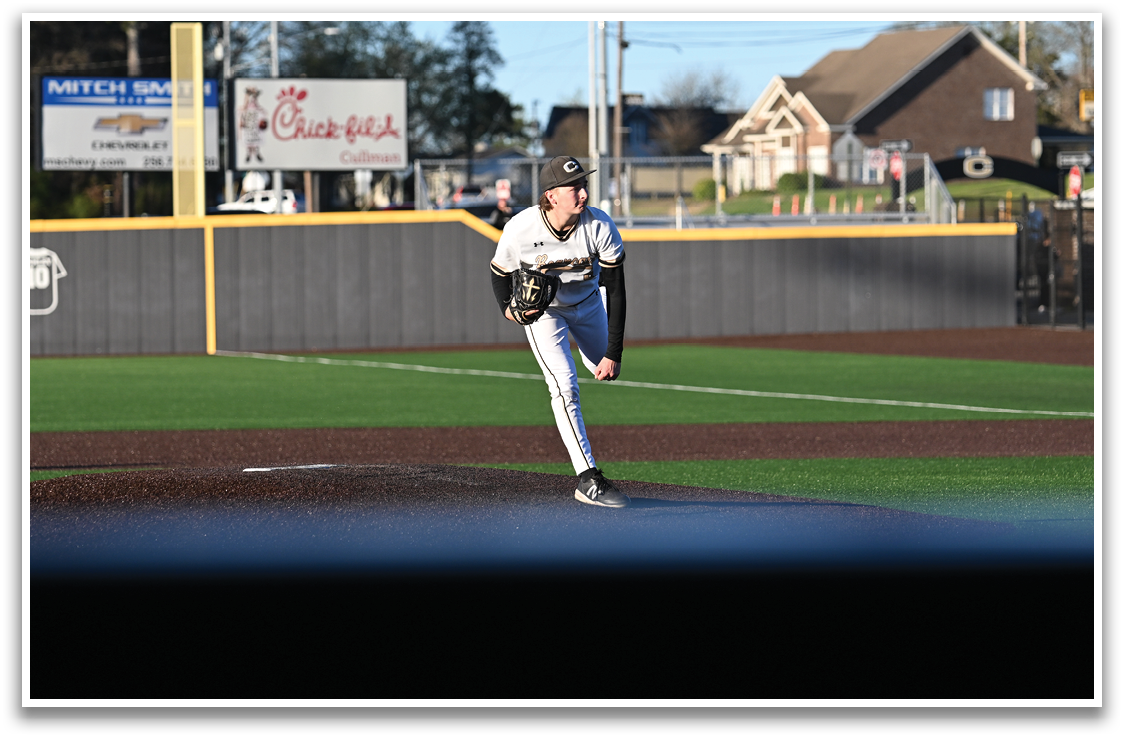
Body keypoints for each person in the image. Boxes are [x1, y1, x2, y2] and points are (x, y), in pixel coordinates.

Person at [489, 156, 629, 508]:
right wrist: (507, 308)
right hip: (545, 313)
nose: (583, 193)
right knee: (564, 386)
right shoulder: (522, 228)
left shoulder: (599, 226)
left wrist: (613, 353)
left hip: (590, 304)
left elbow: (617, 289)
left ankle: (590, 349)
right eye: (575, 187)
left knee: (602, 367)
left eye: (584, 185)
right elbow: (499, 271)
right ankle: (587, 477)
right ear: (551, 196)